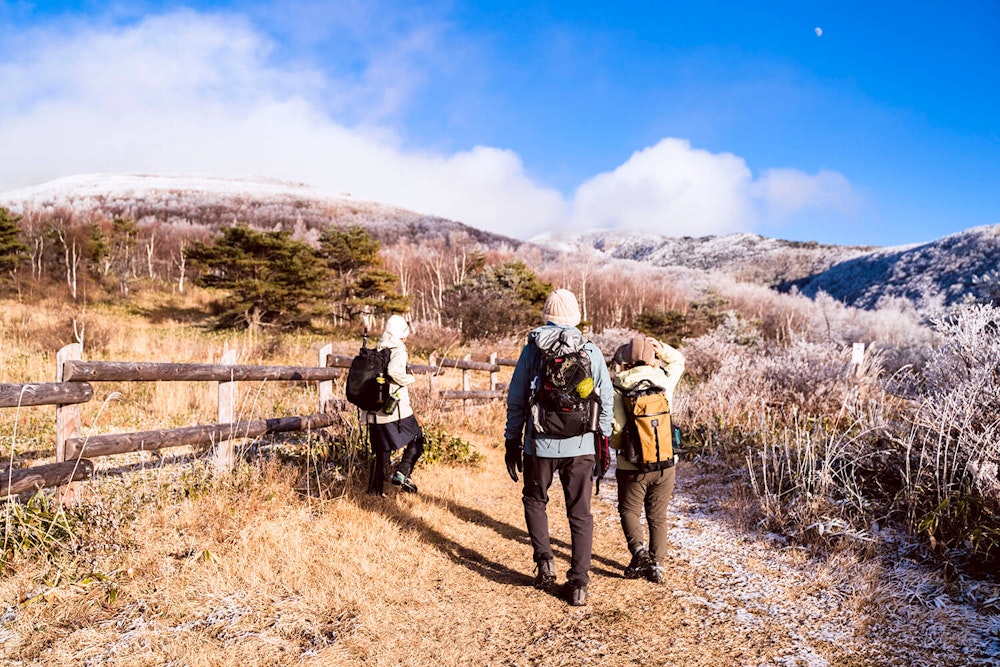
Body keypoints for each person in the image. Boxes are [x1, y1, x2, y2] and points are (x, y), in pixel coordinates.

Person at [504, 289, 613, 607]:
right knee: (580, 512)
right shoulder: (590, 350)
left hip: (539, 444)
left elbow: (517, 398)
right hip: (581, 445)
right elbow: (605, 399)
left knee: (534, 500)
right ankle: (578, 582)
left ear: (546, 315)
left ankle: (545, 563)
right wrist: (602, 440)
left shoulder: (533, 351)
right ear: (576, 316)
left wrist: (512, 439)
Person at [610, 335, 685, 584]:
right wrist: (661, 348)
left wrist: (618, 449)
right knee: (657, 515)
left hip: (631, 464)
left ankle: (639, 552)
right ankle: (657, 566)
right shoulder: (664, 380)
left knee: (629, 509)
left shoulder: (618, 386)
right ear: (652, 357)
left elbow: (617, 429)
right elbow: (678, 361)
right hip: (666, 461)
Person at [367, 314, 424, 495]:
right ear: (401, 333)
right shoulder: (398, 350)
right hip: (394, 409)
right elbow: (393, 371)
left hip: (374, 409)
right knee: (417, 437)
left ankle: (374, 491)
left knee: (382, 449)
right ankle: (402, 472)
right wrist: (409, 379)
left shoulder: (377, 349)